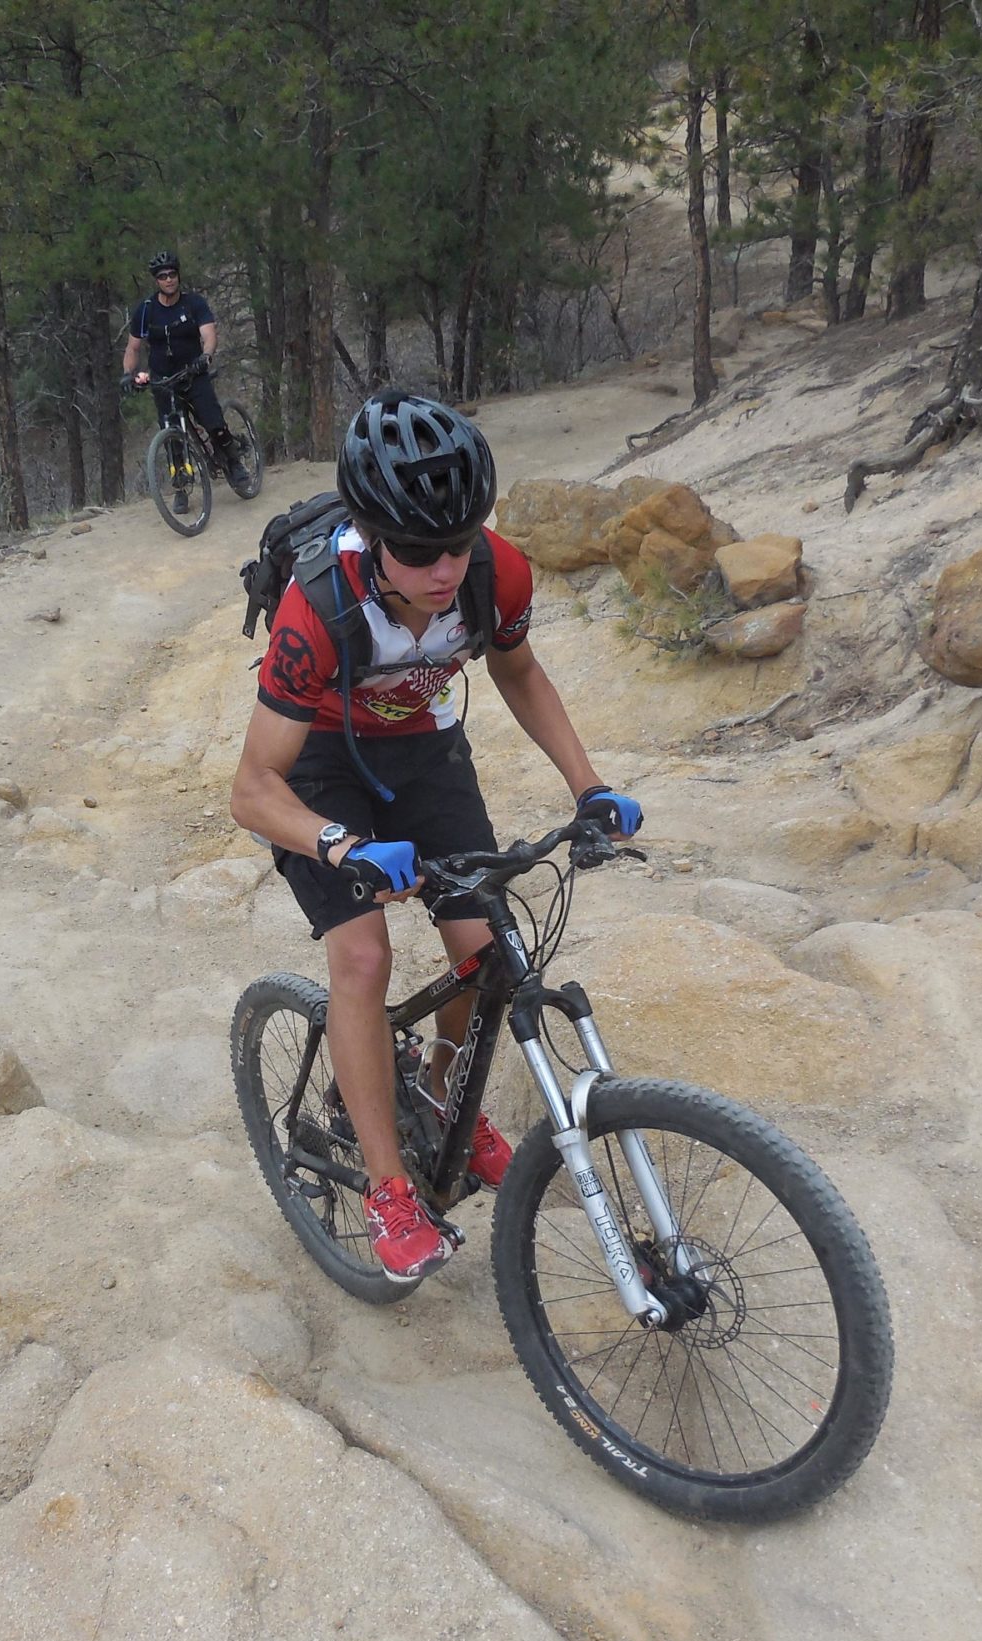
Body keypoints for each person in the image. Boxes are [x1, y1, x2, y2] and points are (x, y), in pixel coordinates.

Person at [228, 390, 643, 1284]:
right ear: (374, 537)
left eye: (457, 544)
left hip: (421, 749)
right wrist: (341, 845)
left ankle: (440, 1090)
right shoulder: (319, 612)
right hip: (319, 769)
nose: (444, 569)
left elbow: (520, 672)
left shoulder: (498, 574)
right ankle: (388, 1191)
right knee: (365, 958)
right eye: (418, 552)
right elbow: (253, 788)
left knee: (486, 945)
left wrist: (591, 786)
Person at [124, 250, 246, 488]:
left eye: (172, 274)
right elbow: (133, 348)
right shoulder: (146, 310)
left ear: (178, 276)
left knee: (215, 424)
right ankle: (181, 484)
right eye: (162, 276)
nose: (168, 279)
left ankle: (234, 463)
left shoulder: (194, 304)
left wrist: (206, 356)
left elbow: (209, 334)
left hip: (193, 374)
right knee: (172, 437)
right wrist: (128, 375)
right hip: (163, 380)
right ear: (156, 280)